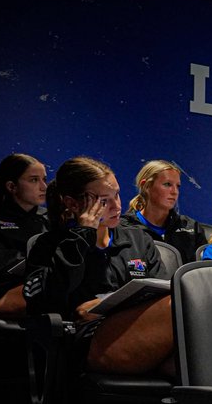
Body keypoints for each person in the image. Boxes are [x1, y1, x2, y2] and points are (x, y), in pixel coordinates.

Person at [24, 156, 173, 375]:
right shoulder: (49, 245)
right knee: (176, 308)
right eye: (103, 200)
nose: (117, 206)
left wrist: (103, 304)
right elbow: (44, 301)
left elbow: (160, 290)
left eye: (117, 195)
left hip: (141, 331)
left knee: (190, 357)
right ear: (72, 203)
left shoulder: (138, 239)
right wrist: (83, 236)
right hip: (85, 340)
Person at [0, 153, 47, 318]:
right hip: (0, 290)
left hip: (40, 282)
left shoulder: (49, 220)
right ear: (12, 186)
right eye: (34, 180)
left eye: (44, 179)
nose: (43, 187)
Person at [118, 160, 208, 263]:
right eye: (167, 184)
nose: (174, 192)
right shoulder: (123, 228)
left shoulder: (191, 228)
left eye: (177, 186)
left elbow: (202, 272)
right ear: (146, 186)